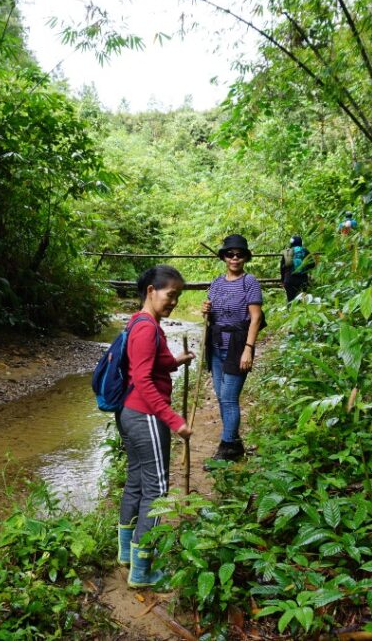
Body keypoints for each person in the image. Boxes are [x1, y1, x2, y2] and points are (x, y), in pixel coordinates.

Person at [116, 265, 195, 588]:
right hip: (145, 415)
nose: (173, 301)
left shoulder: (141, 322)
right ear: (151, 290)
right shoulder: (147, 328)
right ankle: (142, 571)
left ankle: (126, 555)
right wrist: (174, 420)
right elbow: (143, 380)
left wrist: (175, 360)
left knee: (136, 482)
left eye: (177, 296)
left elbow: (147, 362)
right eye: (170, 294)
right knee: (157, 491)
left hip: (131, 415)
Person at [200, 234, 263, 463]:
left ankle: (227, 450)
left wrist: (249, 348)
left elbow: (255, 319)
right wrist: (206, 309)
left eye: (239, 254)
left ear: (245, 257)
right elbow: (212, 314)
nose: (234, 258)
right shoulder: (216, 283)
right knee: (221, 397)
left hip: (237, 346)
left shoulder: (250, 283)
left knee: (228, 398)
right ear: (224, 257)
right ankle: (234, 442)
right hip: (216, 346)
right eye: (230, 254)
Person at [281, 234, 313, 302]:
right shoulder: (305, 251)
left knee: (290, 302)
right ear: (301, 242)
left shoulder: (288, 252)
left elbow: (282, 268)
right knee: (303, 301)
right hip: (302, 280)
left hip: (289, 280)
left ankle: (290, 311)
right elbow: (312, 264)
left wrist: (283, 280)